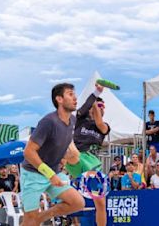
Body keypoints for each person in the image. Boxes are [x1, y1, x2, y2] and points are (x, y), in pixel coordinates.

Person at [21, 83, 85, 226]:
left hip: (54, 172)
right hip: (33, 174)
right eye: (70, 94)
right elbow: (28, 152)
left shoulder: (73, 120)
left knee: (77, 203)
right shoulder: (48, 122)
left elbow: (61, 143)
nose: (75, 98)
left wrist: (67, 156)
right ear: (59, 99)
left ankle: (39, 218)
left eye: (75, 94)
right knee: (29, 220)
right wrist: (50, 174)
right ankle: (33, 219)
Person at [65, 83, 110, 226]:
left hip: (92, 163)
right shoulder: (81, 119)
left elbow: (98, 121)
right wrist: (96, 93)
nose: (98, 109)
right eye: (97, 106)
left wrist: (96, 102)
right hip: (77, 156)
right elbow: (84, 108)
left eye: (102, 107)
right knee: (69, 147)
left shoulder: (105, 127)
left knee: (101, 204)